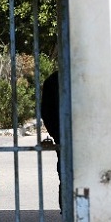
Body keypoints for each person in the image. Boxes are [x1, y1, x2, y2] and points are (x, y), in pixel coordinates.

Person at [40, 70, 62, 209]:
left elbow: (46, 113)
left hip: (63, 139)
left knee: (66, 178)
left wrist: (57, 134)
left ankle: (67, 216)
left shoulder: (53, 79)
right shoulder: (54, 80)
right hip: (66, 139)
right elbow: (46, 113)